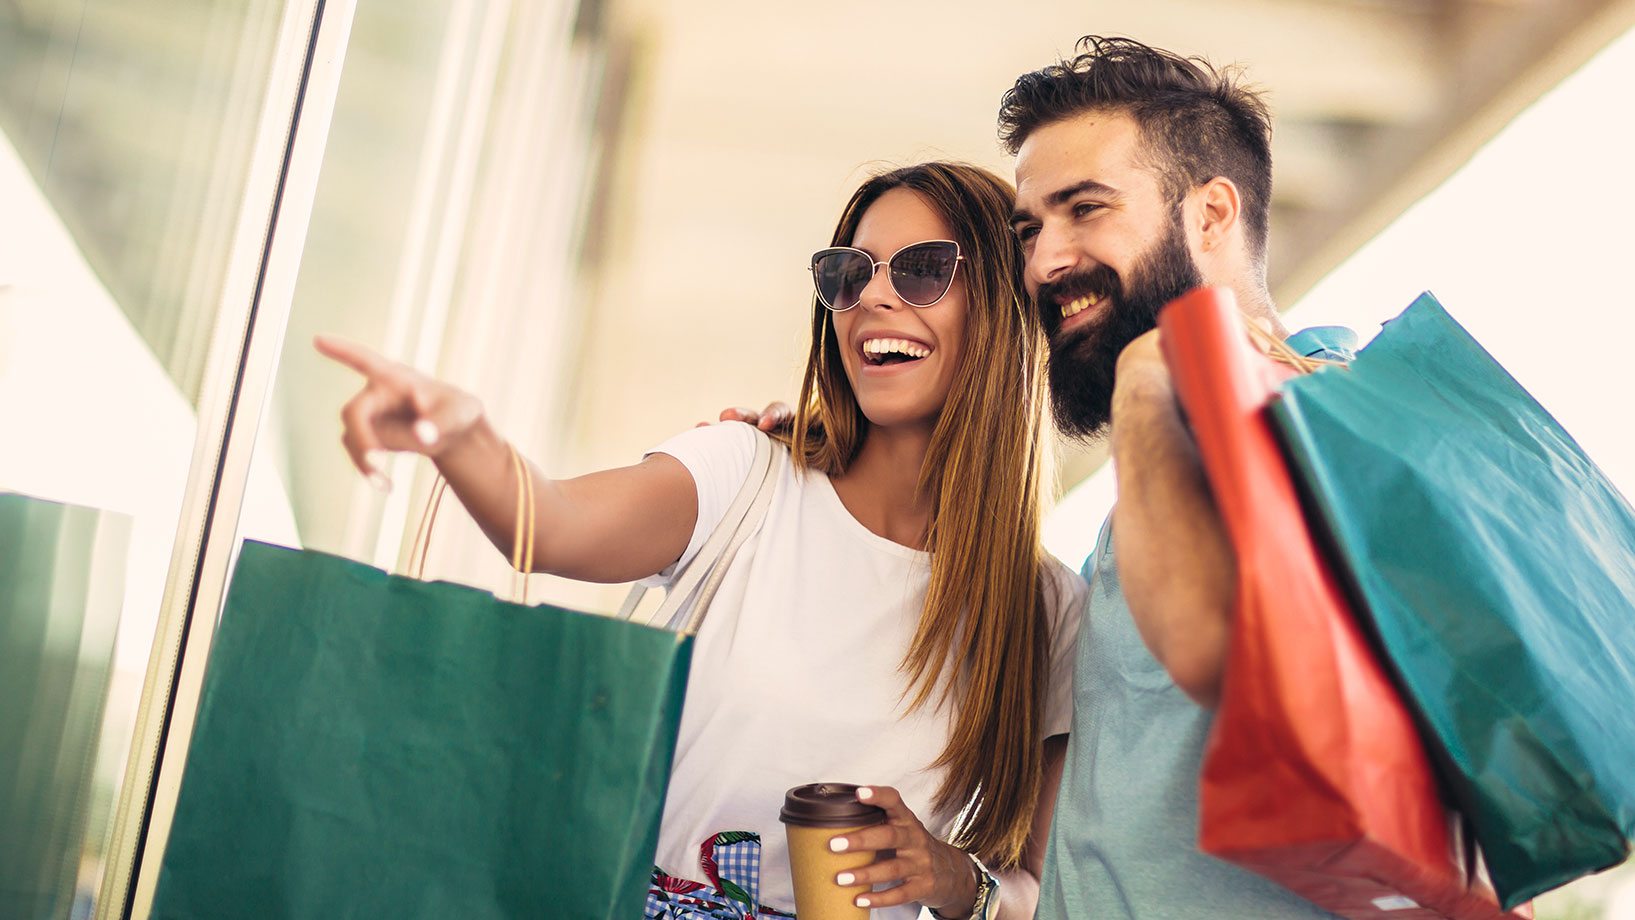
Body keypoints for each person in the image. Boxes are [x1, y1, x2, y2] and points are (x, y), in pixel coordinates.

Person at [315, 161, 1085, 920]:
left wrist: (958, 882)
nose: (873, 295)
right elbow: (545, 524)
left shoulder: (1047, 610)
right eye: (849, 274)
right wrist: (461, 436)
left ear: (1003, 308)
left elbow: (1044, 893)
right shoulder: (745, 474)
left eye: (922, 270)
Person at [1000, 35, 1358, 920]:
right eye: (1030, 227)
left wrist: (1146, 373)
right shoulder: (1164, 464)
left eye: (1085, 209)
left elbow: (1206, 649)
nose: (1045, 260)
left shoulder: (1324, 418)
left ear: (1209, 216)